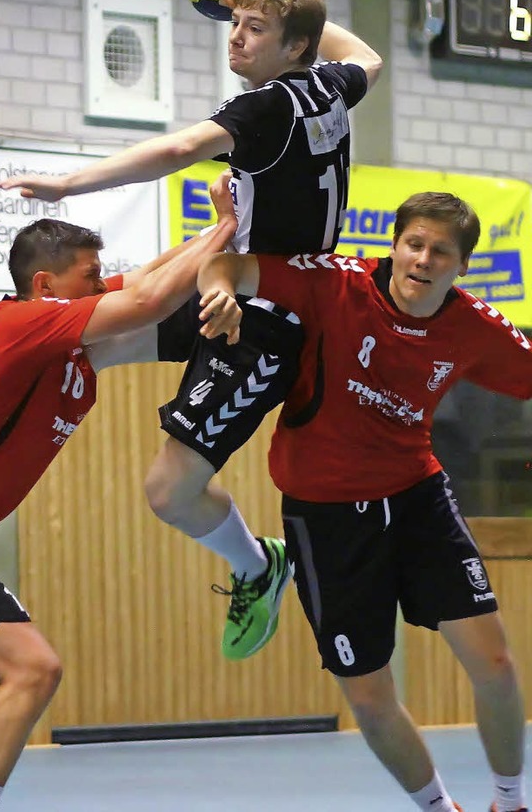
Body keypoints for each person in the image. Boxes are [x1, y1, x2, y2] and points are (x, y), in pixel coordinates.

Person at [0, 0, 384, 661]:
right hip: (229, 278)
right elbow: (369, 56)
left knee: (169, 492)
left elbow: (178, 146)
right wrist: (286, 3)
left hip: (268, 319)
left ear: (292, 45)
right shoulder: (330, 84)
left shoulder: (265, 108)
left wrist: (66, 184)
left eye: (255, 27)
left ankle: (258, 566)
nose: (235, 37)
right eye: (234, 21)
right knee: (76, 347)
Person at [0, 176, 237, 812]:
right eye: (89, 277)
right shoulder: (21, 325)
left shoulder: (63, 349)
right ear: (46, 287)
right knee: (30, 669)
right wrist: (226, 229)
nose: (101, 286)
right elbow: (151, 300)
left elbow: (145, 279)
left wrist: (220, 235)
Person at [196, 187, 529, 812]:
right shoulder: (336, 283)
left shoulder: (475, 327)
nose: (423, 260)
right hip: (324, 516)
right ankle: (438, 807)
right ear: (395, 246)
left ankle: (510, 802)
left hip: (416, 498)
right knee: (371, 697)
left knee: (497, 662)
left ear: (463, 266)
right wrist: (219, 290)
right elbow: (231, 263)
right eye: (414, 244)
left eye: (441, 252)